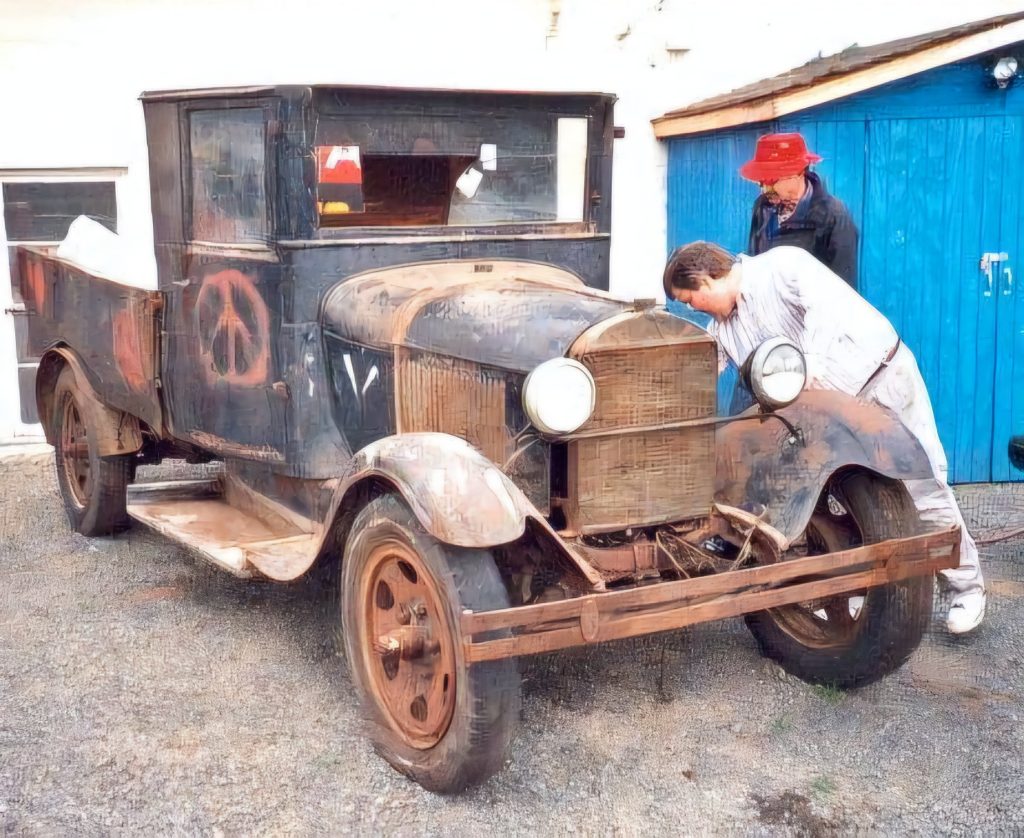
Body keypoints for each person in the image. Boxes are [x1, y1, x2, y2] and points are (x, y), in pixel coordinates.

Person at [662, 241, 986, 634]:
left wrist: (805, 367)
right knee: (841, 509)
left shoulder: (783, 266)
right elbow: (701, 368)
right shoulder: (724, 329)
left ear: (706, 278)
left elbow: (824, 313)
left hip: (880, 383)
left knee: (925, 488)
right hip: (827, 423)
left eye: (690, 299)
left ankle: (966, 591)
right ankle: (857, 590)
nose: (693, 309)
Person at [741, 133, 859, 289]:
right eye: (761, 182)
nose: (764, 190)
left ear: (797, 173)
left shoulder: (833, 216)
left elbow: (843, 289)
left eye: (771, 181)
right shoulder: (762, 208)